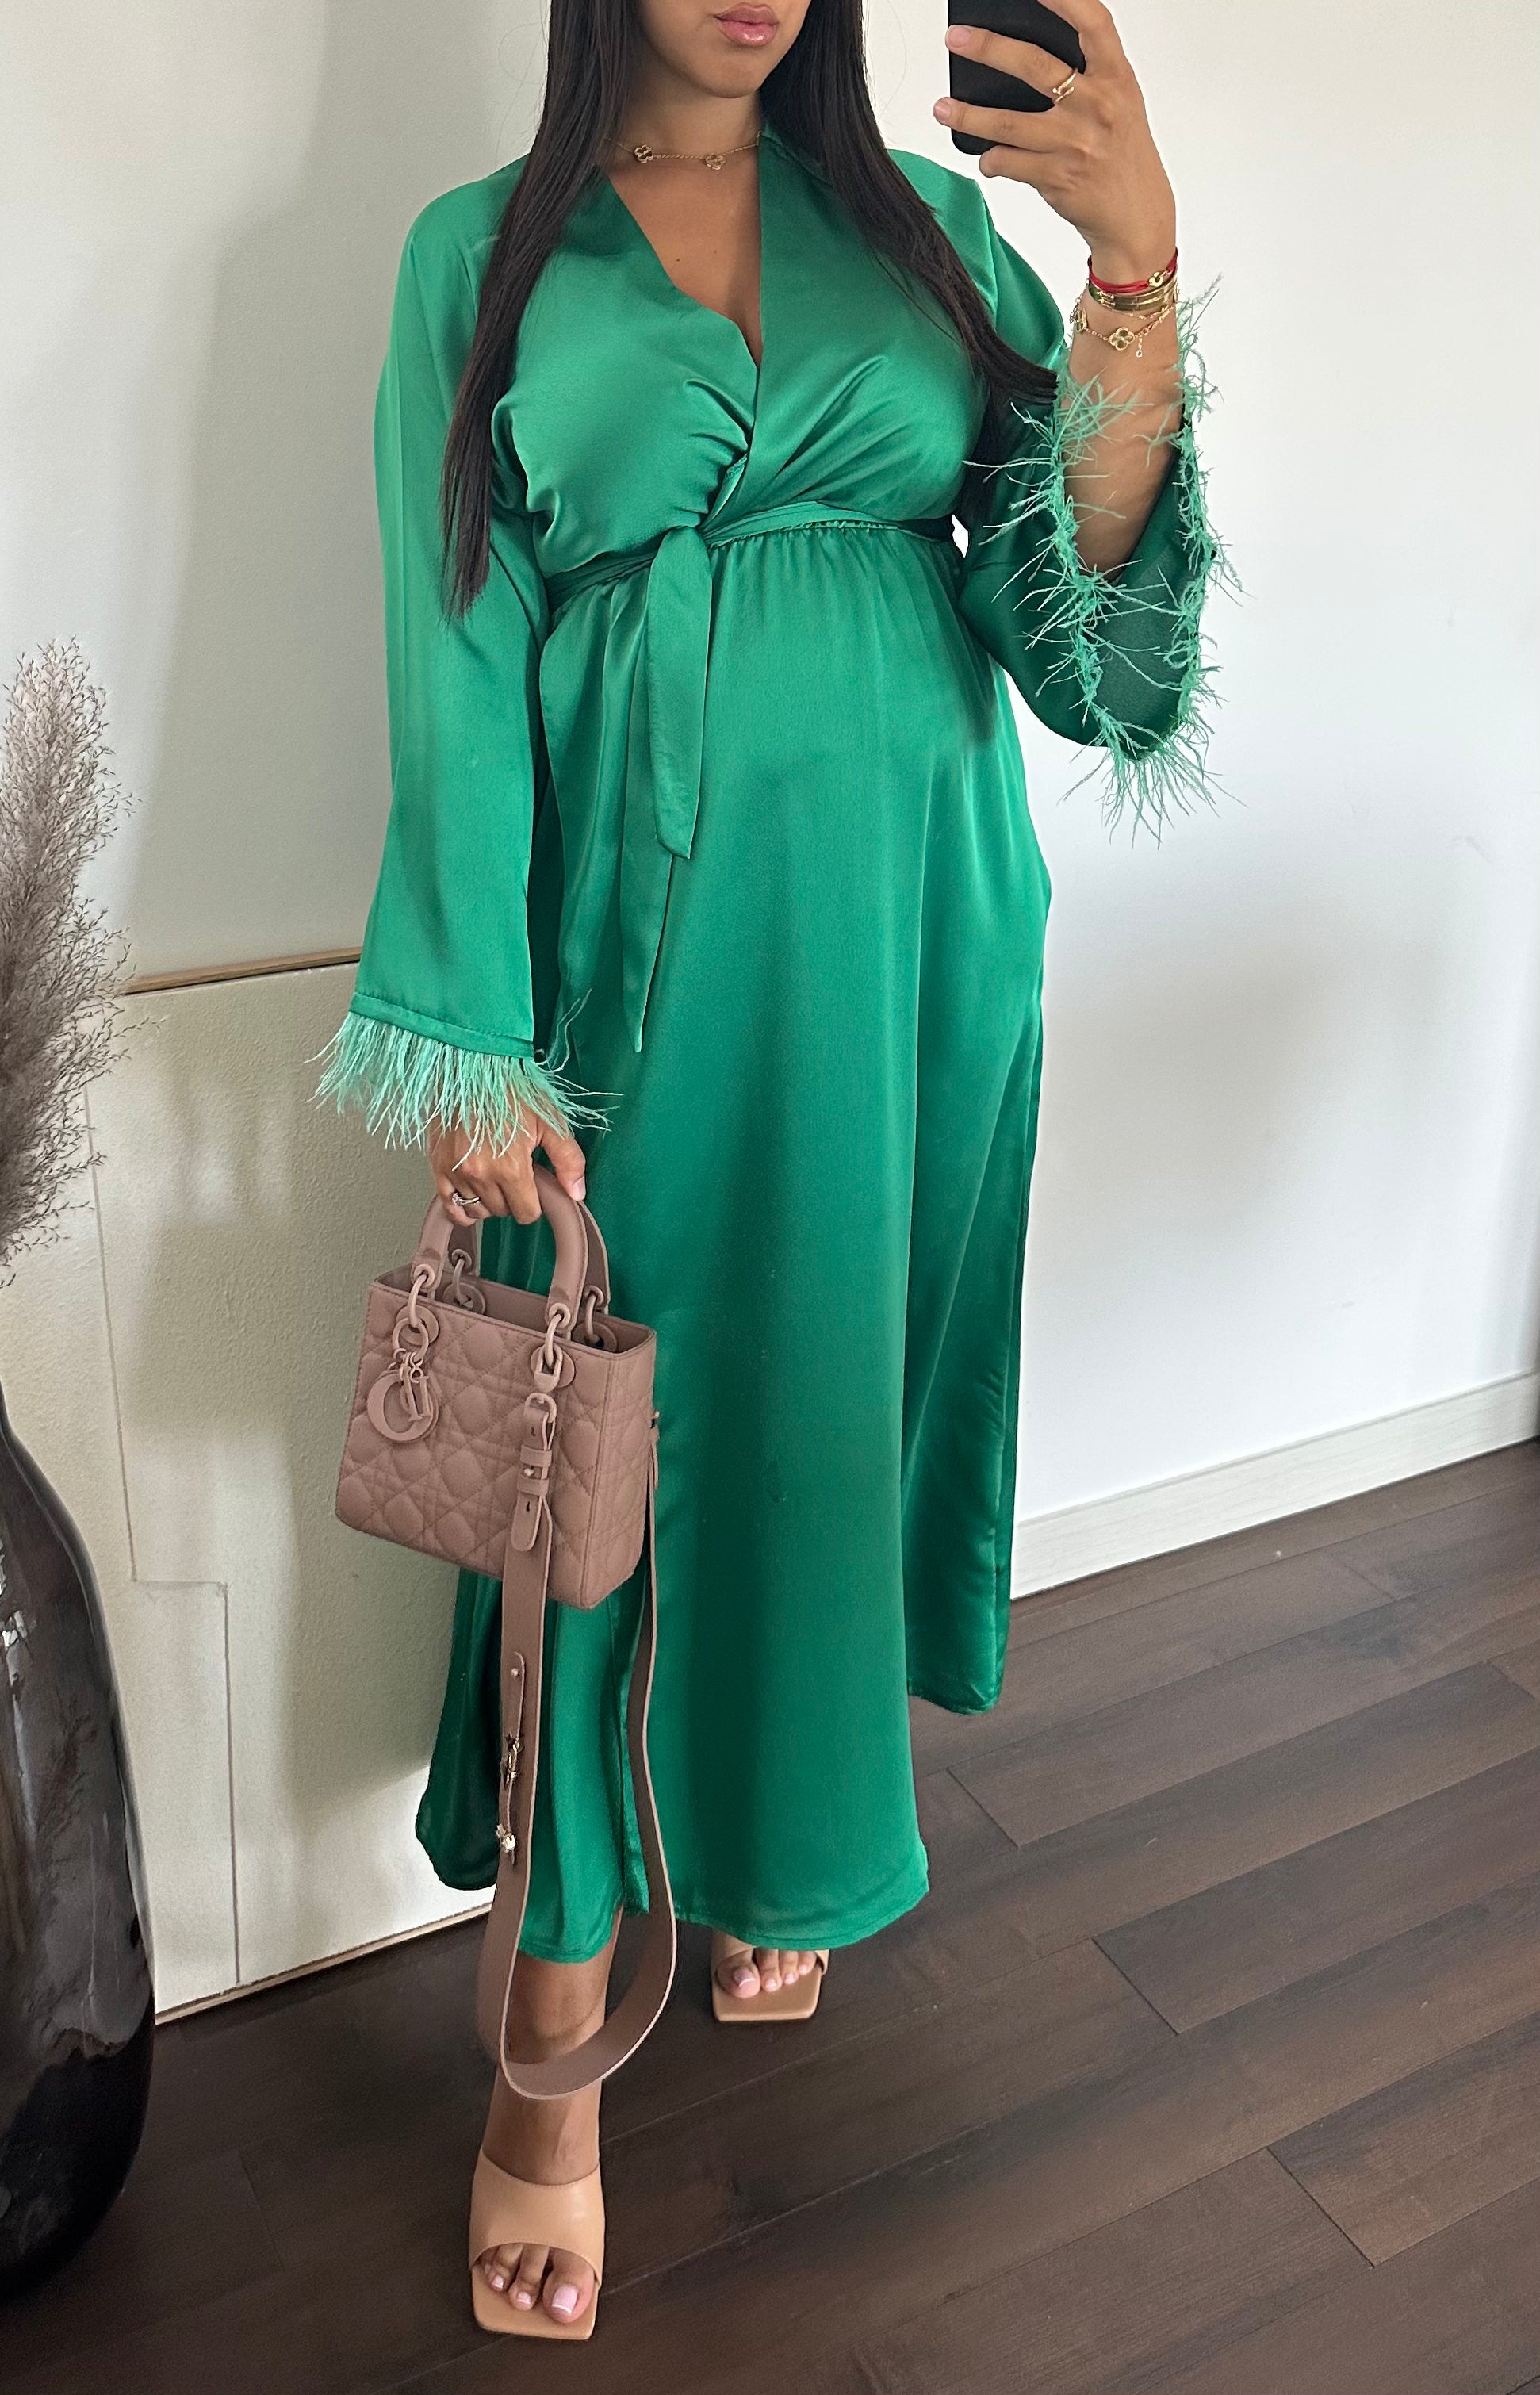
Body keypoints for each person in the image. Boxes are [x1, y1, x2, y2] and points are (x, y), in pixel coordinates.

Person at [317, 0, 1218, 2340]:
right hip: (633, 969)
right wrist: (472, 1029)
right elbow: (454, 643)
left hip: (919, 946)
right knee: (596, 1464)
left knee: (827, 1406)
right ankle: (553, 2029)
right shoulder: (475, 260)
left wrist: (1129, 271)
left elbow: (1076, 631)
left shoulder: (922, 236)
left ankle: (769, 1839)